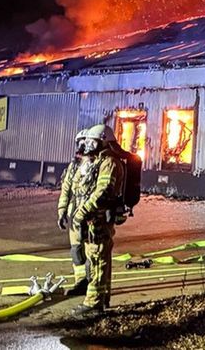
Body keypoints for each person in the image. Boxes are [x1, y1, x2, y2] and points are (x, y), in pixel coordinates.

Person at [56, 124, 125, 315]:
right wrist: (67, 210)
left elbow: (102, 193)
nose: (88, 146)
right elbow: (74, 187)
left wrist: (82, 212)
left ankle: (94, 303)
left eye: (92, 142)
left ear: (103, 141)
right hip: (91, 220)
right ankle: (100, 299)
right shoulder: (96, 162)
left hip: (98, 220)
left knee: (97, 259)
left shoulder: (109, 163)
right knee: (96, 258)